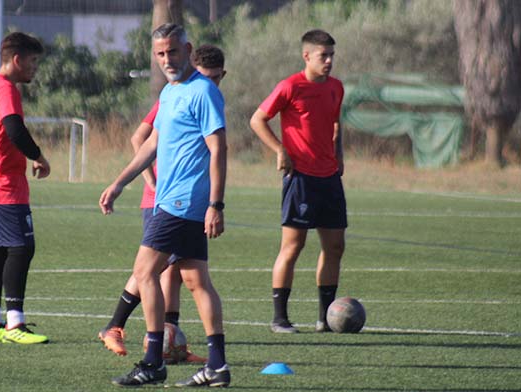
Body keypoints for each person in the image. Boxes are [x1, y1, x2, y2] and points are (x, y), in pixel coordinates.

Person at [99, 24, 230, 387]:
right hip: (173, 200)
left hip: (182, 201)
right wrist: (119, 182)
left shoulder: (203, 91)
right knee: (196, 281)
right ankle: (217, 366)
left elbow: (218, 148)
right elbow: (151, 144)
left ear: (187, 50)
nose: (166, 60)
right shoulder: (171, 93)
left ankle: (153, 361)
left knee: (144, 273)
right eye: (159, 54)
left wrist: (215, 204)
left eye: (172, 52)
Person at [249, 29, 347, 334]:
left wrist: (339, 154)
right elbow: (257, 119)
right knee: (293, 246)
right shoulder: (291, 86)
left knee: (335, 246)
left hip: (329, 177)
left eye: (332, 55)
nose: (329, 60)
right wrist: (280, 150)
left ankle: (325, 319)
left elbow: (335, 122)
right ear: (307, 56)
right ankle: (280, 318)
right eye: (323, 56)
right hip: (300, 178)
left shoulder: (336, 87)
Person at [0, 31, 52, 344]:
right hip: (3, 185)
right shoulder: (5, 89)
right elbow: (14, 129)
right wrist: (39, 156)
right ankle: (15, 323)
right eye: (32, 61)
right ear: (16, 60)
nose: (34, 68)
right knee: (21, 247)